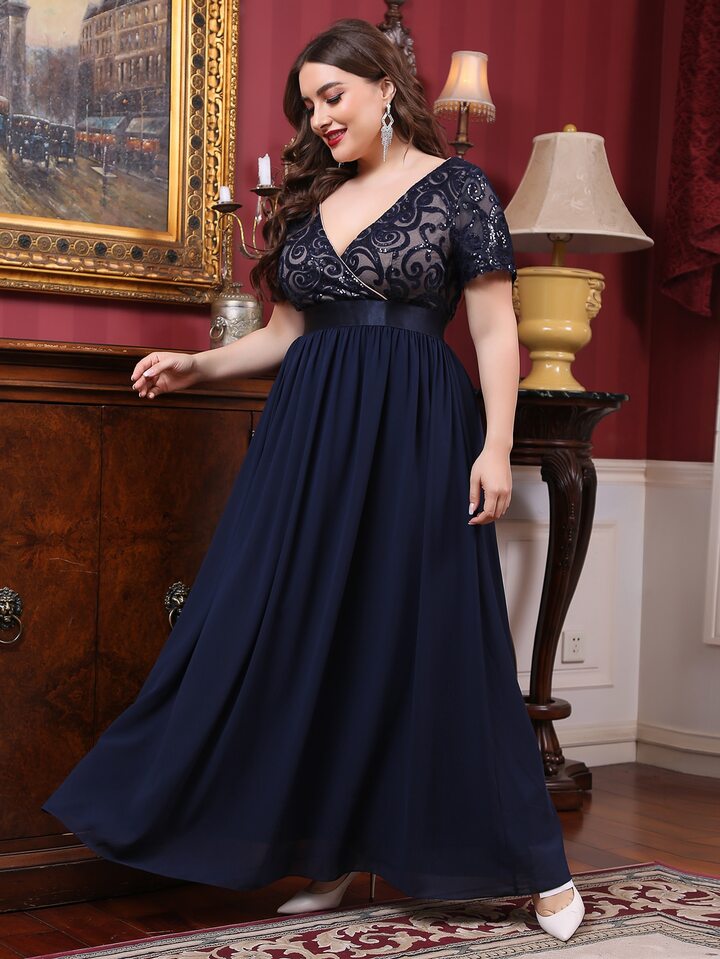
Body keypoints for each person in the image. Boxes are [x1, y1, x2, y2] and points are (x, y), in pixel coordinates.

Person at [41, 18, 585, 943]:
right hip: (308, 439)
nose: (320, 117)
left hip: (419, 430)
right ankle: (330, 852)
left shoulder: (460, 189)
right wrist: (197, 364)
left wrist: (495, 446)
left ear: (386, 86)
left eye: (333, 96)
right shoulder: (309, 202)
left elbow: (496, 331)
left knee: (438, 639)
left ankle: (543, 869)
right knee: (292, 630)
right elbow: (283, 335)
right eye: (308, 105)